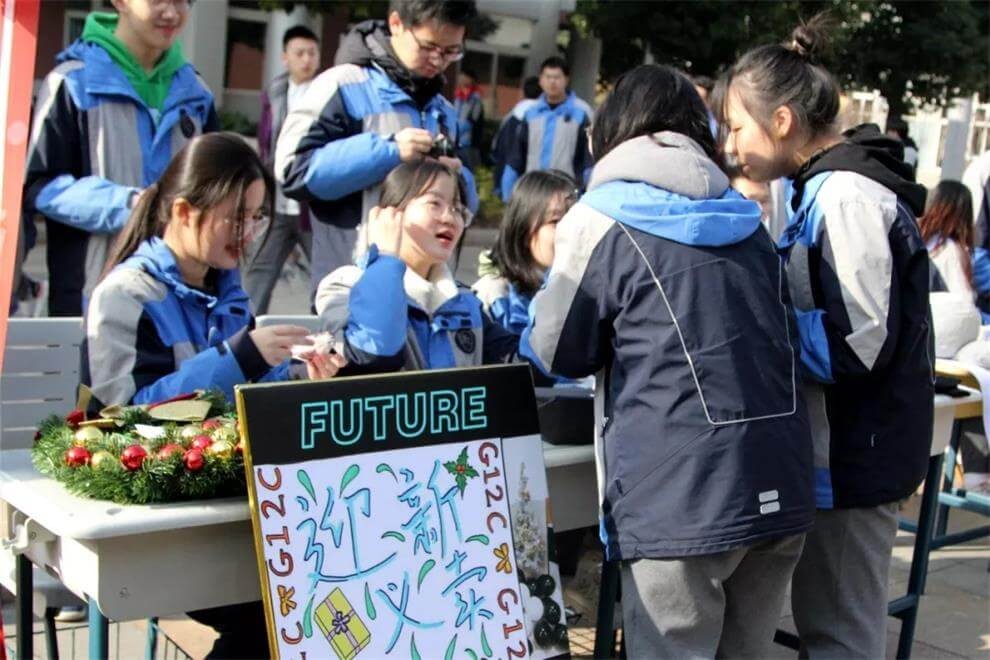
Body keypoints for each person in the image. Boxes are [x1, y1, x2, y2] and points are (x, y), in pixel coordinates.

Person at [522, 64, 815, 658]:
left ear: (612, 129)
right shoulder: (748, 219)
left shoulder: (599, 217)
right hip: (780, 483)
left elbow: (555, 349)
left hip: (679, 501)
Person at [81, 132, 343, 657]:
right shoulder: (126, 295)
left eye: (257, 217)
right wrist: (238, 358)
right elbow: (123, 422)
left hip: (227, 514)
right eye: (237, 217)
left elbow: (253, 402)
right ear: (183, 211)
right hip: (151, 522)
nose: (249, 233)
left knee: (324, 597)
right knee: (279, 614)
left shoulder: (228, 289)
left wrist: (303, 383)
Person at [723, 17, 933, 658]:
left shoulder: (846, 198)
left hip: (854, 458)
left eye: (736, 126)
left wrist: (760, 327)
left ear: (781, 121)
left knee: (840, 633)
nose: (731, 145)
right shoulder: (824, 190)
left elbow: (857, 343)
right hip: (837, 452)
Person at [23, 0, 218, 317]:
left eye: (182, 1)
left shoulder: (197, 93)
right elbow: (37, 186)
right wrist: (132, 206)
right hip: (91, 300)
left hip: (178, 303)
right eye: (157, 0)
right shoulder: (71, 83)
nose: (172, 13)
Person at [276, 0, 480, 301]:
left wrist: (459, 179)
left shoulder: (444, 111)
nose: (438, 60)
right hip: (352, 286)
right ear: (396, 24)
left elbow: (467, 208)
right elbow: (292, 170)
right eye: (428, 46)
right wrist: (390, 151)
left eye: (451, 51)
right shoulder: (341, 85)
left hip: (427, 292)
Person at [315, 160, 518, 373]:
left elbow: (524, 367)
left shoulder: (463, 302)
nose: (450, 218)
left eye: (457, 209)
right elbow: (372, 356)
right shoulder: (345, 285)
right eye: (435, 204)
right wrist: (386, 258)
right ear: (391, 214)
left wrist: (558, 275)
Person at [244, 25, 321, 314]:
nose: (306, 59)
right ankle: (245, 332)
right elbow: (266, 143)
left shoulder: (327, 92)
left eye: (312, 53)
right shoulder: (275, 92)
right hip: (276, 202)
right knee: (259, 269)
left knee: (326, 274)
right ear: (285, 56)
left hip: (312, 207)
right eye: (299, 53)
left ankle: (329, 336)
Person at [473, 169, 577, 335]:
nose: (569, 230)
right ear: (522, 229)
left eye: (574, 219)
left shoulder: (583, 291)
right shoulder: (491, 297)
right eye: (555, 221)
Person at [500, 57, 594, 201]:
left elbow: (587, 159)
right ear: (541, 80)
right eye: (548, 77)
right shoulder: (530, 114)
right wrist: (508, 193)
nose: (552, 82)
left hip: (566, 192)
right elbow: (516, 156)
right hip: (533, 192)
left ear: (566, 79)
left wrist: (587, 192)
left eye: (557, 77)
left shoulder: (580, 114)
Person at [491, 76, 541, 199]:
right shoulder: (544, 116)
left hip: (509, 174)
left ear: (523, 92)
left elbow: (497, 147)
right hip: (534, 182)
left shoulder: (512, 116)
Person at [454, 67, 485, 170]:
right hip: (457, 141)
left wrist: (456, 130)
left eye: (464, 76)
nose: (461, 79)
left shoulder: (475, 98)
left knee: (468, 170)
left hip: (468, 142)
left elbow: (472, 119)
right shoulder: (458, 96)